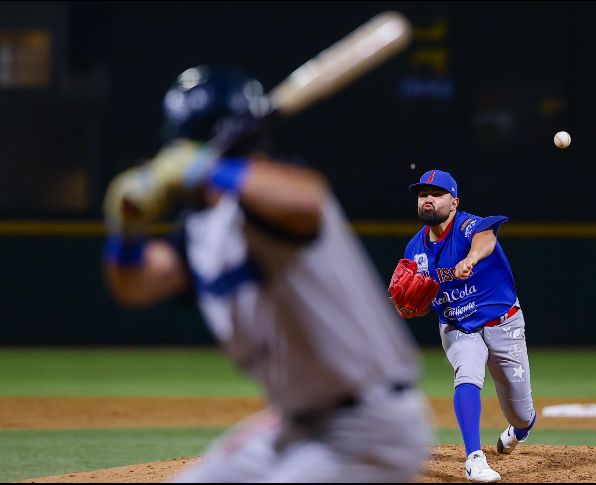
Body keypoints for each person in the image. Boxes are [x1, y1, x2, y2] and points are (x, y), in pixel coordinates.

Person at [102, 65, 432, 483]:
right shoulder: (203, 230)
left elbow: (306, 201)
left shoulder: (275, 198)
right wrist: (126, 234)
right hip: (295, 424)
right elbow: (134, 286)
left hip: (370, 425)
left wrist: (206, 168)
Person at [392, 169, 536, 483]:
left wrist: (470, 259)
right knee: (467, 372)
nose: (427, 199)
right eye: (422, 194)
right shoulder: (414, 251)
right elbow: (416, 304)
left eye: (436, 193)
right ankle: (474, 458)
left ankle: (519, 429)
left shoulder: (469, 226)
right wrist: (408, 308)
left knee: (521, 414)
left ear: (454, 202)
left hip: (503, 322)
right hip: (458, 325)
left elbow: (487, 238)